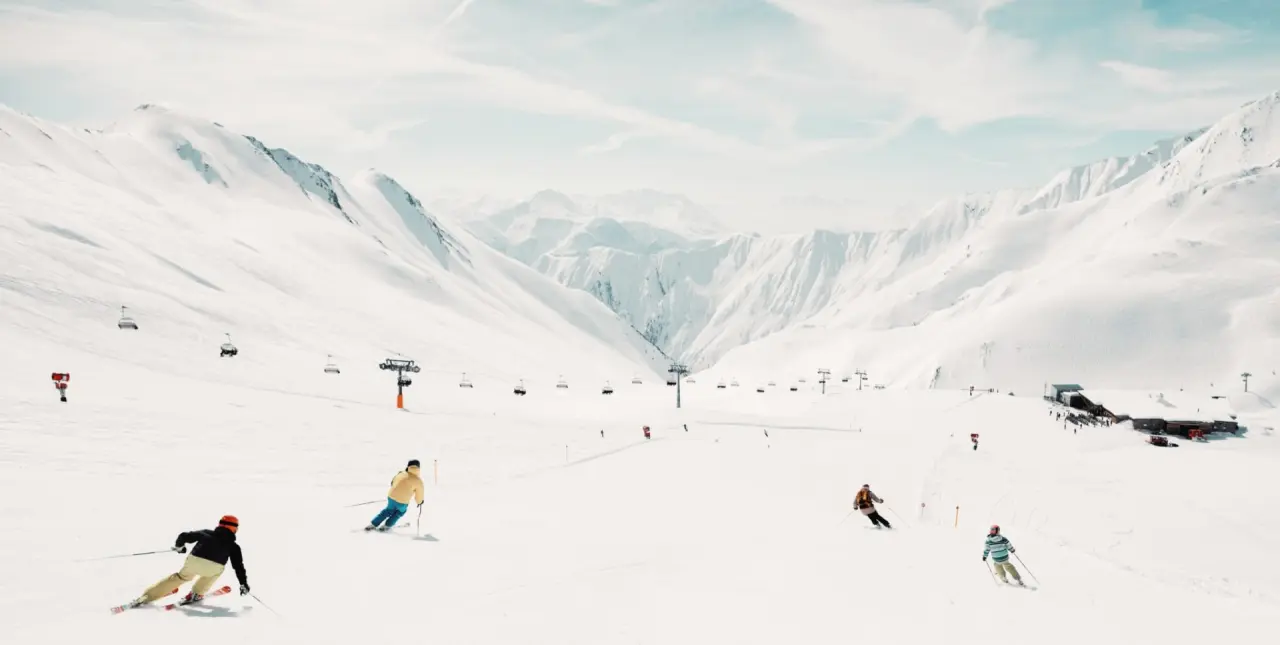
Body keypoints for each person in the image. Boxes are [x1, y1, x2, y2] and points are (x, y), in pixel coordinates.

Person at [129, 515, 249, 607]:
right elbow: (238, 566)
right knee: (216, 572)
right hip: (213, 568)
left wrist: (179, 547)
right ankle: (197, 593)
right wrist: (243, 583)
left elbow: (183, 536)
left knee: (181, 577)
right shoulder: (234, 546)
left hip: (193, 562)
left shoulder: (206, 533)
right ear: (234, 528)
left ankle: (147, 597)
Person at [366, 459, 425, 531]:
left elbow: (392, 482)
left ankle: (373, 524)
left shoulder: (401, 473)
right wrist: (420, 502)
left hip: (391, 497)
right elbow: (419, 495)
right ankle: (387, 525)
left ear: (408, 466)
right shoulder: (418, 481)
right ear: (418, 468)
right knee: (400, 512)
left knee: (388, 511)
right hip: (402, 502)